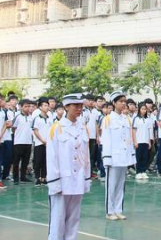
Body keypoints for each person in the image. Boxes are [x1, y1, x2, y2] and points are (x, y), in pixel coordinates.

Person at [47, 93, 91, 240]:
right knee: (58, 220)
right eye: (75, 105)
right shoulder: (57, 128)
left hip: (77, 178)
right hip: (62, 180)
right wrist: (54, 182)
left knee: (74, 219)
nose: (79, 109)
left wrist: (86, 178)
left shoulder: (82, 128)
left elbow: (86, 156)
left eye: (81, 106)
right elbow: (52, 157)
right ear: (66, 106)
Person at [100, 91, 136, 220]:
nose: (123, 104)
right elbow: (106, 140)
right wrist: (107, 158)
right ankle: (110, 211)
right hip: (113, 157)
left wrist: (131, 156)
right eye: (120, 101)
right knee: (111, 185)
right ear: (114, 103)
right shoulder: (108, 119)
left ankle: (118, 209)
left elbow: (129, 139)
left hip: (124, 156)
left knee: (121, 184)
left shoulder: (127, 119)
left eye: (124, 101)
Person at [12, 99, 34, 185]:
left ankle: (23, 177)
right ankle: (15, 178)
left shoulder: (31, 117)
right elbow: (13, 128)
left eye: (29, 106)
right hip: (19, 142)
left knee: (26, 161)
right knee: (16, 161)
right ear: (21, 107)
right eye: (25, 106)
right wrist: (17, 136)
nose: (28, 108)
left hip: (28, 142)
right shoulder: (18, 117)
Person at [32, 97, 52, 186]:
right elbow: (35, 130)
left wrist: (48, 141)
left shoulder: (50, 118)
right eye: (44, 105)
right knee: (38, 161)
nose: (46, 107)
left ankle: (44, 177)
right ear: (40, 107)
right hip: (39, 143)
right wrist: (42, 140)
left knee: (45, 161)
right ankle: (37, 178)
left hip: (48, 143)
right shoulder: (37, 118)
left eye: (47, 105)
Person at [132, 102, 153, 180]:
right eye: (142, 109)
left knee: (145, 157)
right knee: (138, 157)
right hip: (138, 141)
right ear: (139, 109)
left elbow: (148, 131)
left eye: (145, 109)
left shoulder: (147, 119)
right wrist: (135, 141)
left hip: (145, 141)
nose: (144, 111)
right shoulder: (136, 119)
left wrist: (149, 142)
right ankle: (138, 172)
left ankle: (143, 171)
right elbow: (133, 130)